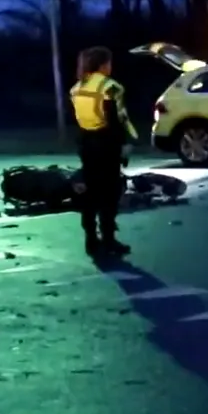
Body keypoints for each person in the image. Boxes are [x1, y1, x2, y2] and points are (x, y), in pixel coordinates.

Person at [69, 46, 138, 257]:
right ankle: (108, 240)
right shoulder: (111, 87)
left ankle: (91, 239)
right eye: (109, 62)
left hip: (85, 143)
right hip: (106, 144)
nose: (110, 66)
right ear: (103, 65)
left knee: (90, 194)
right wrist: (124, 145)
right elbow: (116, 121)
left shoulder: (77, 88)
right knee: (109, 194)